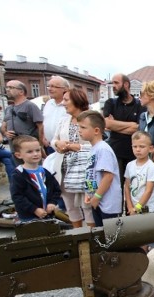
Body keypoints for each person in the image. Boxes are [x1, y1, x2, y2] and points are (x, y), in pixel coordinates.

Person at [50, 88, 94, 228]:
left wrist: (77, 147)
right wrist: (58, 143)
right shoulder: (63, 121)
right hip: (65, 168)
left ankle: (94, 237)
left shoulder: (91, 118)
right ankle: (78, 236)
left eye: (66, 100)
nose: (63, 103)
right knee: (70, 205)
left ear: (77, 100)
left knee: (87, 205)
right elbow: (53, 140)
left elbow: (99, 144)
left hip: (85, 169)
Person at [79, 110, 122, 227]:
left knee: (109, 237)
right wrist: (90, 193)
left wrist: (97, 197)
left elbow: (108, 176)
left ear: (96, 130)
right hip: (97, 201)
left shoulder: (103, 149)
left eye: (83, 127)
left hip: (107, 205)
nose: (79, 130)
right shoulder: (93, 149)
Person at [102, 73, 145, 192]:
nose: (113, 86)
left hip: (134, 154)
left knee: (134, 189)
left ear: (126, 84)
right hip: (116, 154)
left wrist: (115, 124)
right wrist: (131, 125)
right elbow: (106, 124)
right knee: (117, 189)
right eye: (112, 83)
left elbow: (139, 128)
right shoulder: (110, 103)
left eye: (116, 83)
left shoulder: (139, 105)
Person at [10, 135, 62, 223]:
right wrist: (34, 209)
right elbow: (17, 196)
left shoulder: (45, 171)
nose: (35, 154)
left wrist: (52, 202)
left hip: (47, 214)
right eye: (29, 152)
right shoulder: (18, 174)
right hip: (28, 217)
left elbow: (56, 189)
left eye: (37, 150)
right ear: (18, 155)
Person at [1, 80, 44, 157]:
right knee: (18, 169)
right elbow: (3, 127)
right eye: (6, 87)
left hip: (30, 150)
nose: (7, 90)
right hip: (15, 149)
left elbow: (40, 127)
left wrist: (40, 146)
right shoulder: (8, 108)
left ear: (21, 92)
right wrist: (5, 133)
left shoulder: (30, 106)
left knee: (32, 168)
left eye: (11, 87)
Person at [124, 131, 154, 216]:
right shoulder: (129, 165)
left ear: (150, 149)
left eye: (142, 146)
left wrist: (138, 207)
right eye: (135, 146)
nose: (138, 149)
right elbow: (127, 186)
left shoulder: (151, 167)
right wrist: (129, 206)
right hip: (132, 209)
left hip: (149, 210)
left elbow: (148, 190)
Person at [43, 75, 70, 154]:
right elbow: (44, 122)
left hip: (65, 147)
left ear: (65, 89)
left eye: (54, 86)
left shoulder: (71, 105)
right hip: (49, 146)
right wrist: (43, 137)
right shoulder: (48, 103)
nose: (50, 89)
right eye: (49, 86)